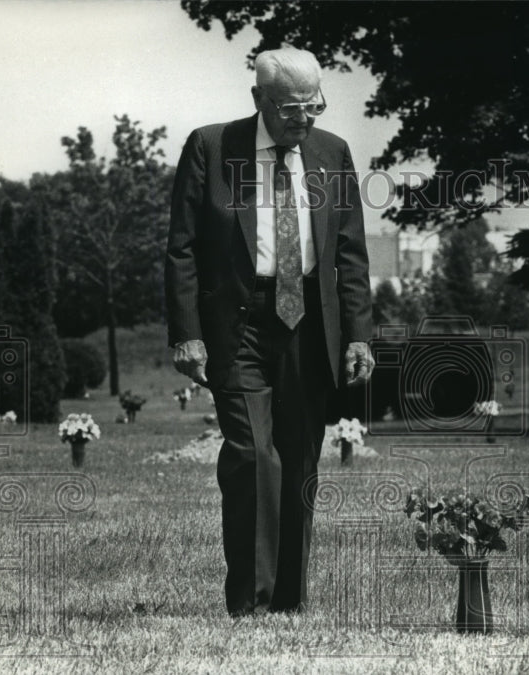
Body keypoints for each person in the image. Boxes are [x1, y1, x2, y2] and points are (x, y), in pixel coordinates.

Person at [165, 46, 374, 616]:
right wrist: (186, 332)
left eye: (315, 106)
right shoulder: (211, 146)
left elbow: (350, 253)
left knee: (299, 457)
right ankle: (250, 601)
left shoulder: (333, 152)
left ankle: (289, 600)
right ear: (258, 99)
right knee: (252, 454)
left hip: (309, 321)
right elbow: (181, 249)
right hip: (239, 324)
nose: (304, 119)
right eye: (291, 109)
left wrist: (358, 333)